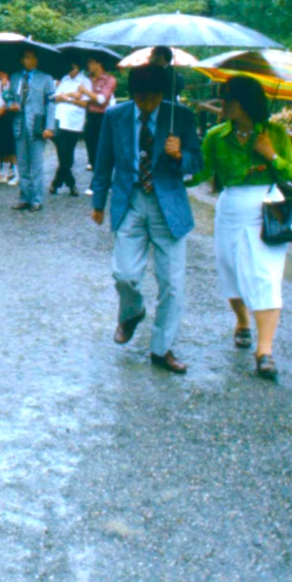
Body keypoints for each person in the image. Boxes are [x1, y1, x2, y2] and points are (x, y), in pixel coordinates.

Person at [90, 64, 203, 374]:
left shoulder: (180, 116)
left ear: (163, 94)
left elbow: (199, 162)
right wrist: (99, 202)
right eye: (140, 98)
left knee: (172, 284)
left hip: (169, 207)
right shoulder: (117, 116)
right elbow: (104, 161)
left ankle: (161, 348)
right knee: (124, 274)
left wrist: (181, 155)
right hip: (131, 201)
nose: (146, 104)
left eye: (152, 98)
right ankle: (132, 312)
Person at [191, 76, 292, 381]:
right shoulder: (215, 135)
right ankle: (242, 322)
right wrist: (177, 161)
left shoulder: (275, 134)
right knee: (231, 269)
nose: (221, 104)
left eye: (227, 99)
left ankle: (264, 352)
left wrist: (271, 155)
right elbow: (201, 173)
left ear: (244, 103)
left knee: (266, 275)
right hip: (230, 209)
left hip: (267, 208)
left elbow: (291, 171)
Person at [8, 49, 57, 211]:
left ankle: (37, 199)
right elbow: (8, 97)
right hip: (19, 124)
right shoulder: (15, 77)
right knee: (22, 164)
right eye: (27, 57)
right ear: (22, 60)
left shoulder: (46, 78)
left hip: (37, 126)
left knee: (36, 165)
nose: (31, 60)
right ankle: (24, 197)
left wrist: (50, 127)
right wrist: (11, 106)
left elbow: (51, 104)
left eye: (33, 57)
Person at [50, 56, 91, 196]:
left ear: (79, 67)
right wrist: (70, 96)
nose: (71, 71)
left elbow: (85, 103)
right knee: (62, 152)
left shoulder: (85, 81)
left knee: (68, 154)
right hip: (59, 119)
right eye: (70, 68)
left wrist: (65, 98)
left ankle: (57, 182)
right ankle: (70, 184)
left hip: (74, 122)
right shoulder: (64, 79)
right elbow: (54, 98)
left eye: (74, 67)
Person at [79, 55, 116, 191]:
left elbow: (102, 100)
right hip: (91, 116)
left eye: (91, 61)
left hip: (105, 117)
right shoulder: (86, 79)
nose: (88, 65)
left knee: (104, 148)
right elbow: (82, 98)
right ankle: (98, 179)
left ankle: (103, 180)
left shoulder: (109, 80)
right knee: (92, 149)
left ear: (99, 63)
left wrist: (86, 92)